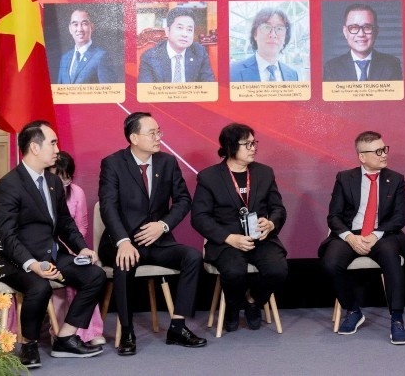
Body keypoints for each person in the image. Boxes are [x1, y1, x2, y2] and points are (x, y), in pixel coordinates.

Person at [0, 121, 105, 368]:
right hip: (14, 259)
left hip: (50, 254)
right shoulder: (8, 185)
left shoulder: (53, 182)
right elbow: (6, 237)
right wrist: (32, 265)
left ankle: (65, 338)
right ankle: (28, 344)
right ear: (34, 147)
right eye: (52, 143)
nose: (57, 149)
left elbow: (65, 223)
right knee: (39, 286)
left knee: (95, 275)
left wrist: (82, 247)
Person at [98, 112, 206, 356]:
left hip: (157, 242)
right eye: (152, 133)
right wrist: (123, 241)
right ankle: (127, 332)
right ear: (134, 138)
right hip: (123, 241)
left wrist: (163, 225)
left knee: (192, 257)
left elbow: (183, 200)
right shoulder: (113, 163)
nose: (159, 137)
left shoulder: (167, 162)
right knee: (124, 262)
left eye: (159, 132)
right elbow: (108, 207)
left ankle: (177, 327)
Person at [191, 123, 288, 332]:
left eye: (254, 143)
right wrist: (229, 238)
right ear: (231, 146)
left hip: (261, 239)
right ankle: (233, 306)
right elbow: (199, 217)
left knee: (278, 270)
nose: (254, 148)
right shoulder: (209, 177)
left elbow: (278, 208)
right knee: (234, 271)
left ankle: (252, 300)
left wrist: (271, 223)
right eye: (248, 144)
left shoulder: (264, 173)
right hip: (227, 242)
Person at [319, 131, 405, 345]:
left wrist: (376, 235)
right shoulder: (344, 178)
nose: (384, 154)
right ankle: (352, 310)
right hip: (352, 233)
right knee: (331, 263)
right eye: (378, 151)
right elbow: (334, 216)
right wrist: (350, 238)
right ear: (362, 156)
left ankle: (397, 319)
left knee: (391, 258)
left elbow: (399, 217)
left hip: (383, 233)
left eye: (384, 149)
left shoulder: (396, 179)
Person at [48, 151, 106, 346]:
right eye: (58, 178)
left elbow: (80, 227)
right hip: (50, 251)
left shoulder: (77, 192)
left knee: (89, 271)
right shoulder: (41, 192)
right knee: (60, 274)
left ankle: (89, 332)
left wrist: (78, 250)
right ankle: (58, 330)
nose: (62, 183)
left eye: (66, 179)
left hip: (72, 249)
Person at [323, 3, 403, 81]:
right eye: (354, 27)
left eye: (367, 27)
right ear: (345, 32)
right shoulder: (331, 68)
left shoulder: (392, 65)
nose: (361, 34)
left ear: (376, 31)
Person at [138, 7, 216, 83]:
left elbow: (209, 86)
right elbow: (147, 90)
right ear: (167, 31)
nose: (185, 34)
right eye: (179, 28)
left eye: (189, 29)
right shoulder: (150, 57)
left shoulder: (199, 52)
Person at [230, 8, 299, 82]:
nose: (273, 35)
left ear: (285, 37)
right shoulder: (233, 71)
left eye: (279, 29)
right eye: (266, 27)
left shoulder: (293, 75)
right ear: (255, 34)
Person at [56, 9, 119, 84]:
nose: (79, 29)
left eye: (84, 24)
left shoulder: (101, 57)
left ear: (92, 27)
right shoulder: (65, 58)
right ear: (70, 29)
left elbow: (109, 90)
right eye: (75, 24)